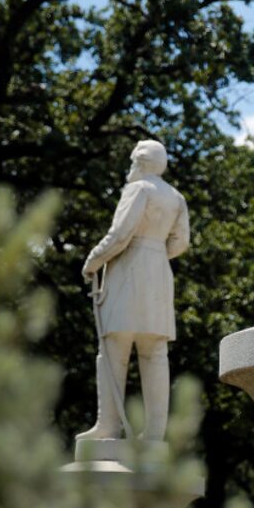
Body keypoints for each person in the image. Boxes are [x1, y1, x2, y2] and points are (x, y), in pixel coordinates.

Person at [77, 139, 189, 444]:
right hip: (159, 274)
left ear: (141, 163)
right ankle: (154, 434)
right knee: (155, 354)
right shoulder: (176, 197)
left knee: (114, 352)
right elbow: (180, 243)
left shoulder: (139, 189)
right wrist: (156, 254)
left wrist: (93, 261)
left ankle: (108, 426)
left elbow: (120, 234)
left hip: (129, 271)